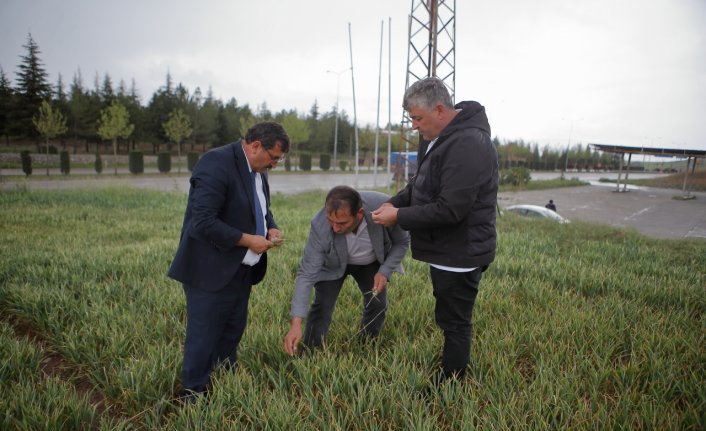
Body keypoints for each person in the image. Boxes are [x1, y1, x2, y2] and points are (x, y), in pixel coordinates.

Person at [371, 77, 498, 382]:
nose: (414, 126)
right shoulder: (440, 136)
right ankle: (449, 371)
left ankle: (450, 385)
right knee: (447, 316)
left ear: (439, 110)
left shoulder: (468, 143)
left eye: (417, 118)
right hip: (447, 250)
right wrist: (394, 202)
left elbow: (451, 209)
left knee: (455, 322)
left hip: (461, 251)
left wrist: (399, 215)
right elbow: (421, 185)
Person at [168, 122, 290, 402]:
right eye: (273, 157)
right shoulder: (216, 163)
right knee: (204, 334)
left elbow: (261, 208)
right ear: (256, 145)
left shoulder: (258, 170)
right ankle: (192, 394)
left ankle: (222, 381)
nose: (274, 164)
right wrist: (249, 240)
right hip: (209, 269)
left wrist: (271, 227)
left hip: (241, 267)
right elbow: (202, 222)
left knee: (232, 328)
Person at [283, 185, 409, 356]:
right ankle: (311, 351)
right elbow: (306, 274)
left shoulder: (384, 207)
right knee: (322, 306)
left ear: (359, 214)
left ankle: (368, 343)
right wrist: (296, 323)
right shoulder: (320, 225)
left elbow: (401, 242)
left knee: (377, 303)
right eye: (330, 221)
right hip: (333, 264)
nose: (335, 228)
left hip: (370, 263)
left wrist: (384, 271)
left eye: (342, 223)